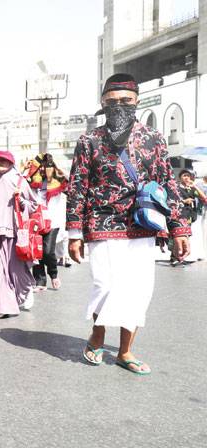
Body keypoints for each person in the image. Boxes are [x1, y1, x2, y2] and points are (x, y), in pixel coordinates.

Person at [67, 73, 191, 375]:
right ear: (102, 104)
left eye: (125, 101)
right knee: (105, 284)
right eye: (111, 102)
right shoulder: (89, 141)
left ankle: (125, 351)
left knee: (137, 290)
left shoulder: (154, 139)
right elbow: (77, 186)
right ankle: (97, 334)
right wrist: (74, 233)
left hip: (142, 222)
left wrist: (179, 227)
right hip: (101, 222)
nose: (119, 107)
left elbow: (166, 183)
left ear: (136, 101)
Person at [0, 150, 38, 319]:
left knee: (16, 270)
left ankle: (24, 292)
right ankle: (1, 306)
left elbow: (33, 205)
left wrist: (22, 202)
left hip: (15, 232)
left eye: (3, 160)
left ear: (11, 162)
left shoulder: (19, 180)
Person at [26, 153, 68, 290]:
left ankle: (54, 274)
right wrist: (25, 170)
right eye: (41, 167)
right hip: (36, 222)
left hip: (53, 222)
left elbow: (73, 186)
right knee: (36, 251)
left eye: (47, 167)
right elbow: (18, 184)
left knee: (48, 251)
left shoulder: (59, 182)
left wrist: (60, 169)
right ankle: (40, 281)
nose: (43, 170)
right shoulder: (32, 183)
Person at [178, 169, 207, 262]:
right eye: (184, 176)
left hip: (190, 215)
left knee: (187, 235)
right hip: (180, 215)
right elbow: (172, 199)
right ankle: (176, 256)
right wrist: (184, 201)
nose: (187, 178)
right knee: (180, 235)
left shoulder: (192, 188)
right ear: (180, 178)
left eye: (188, 176)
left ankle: (182, 257)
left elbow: (203, 197)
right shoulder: (176, 188)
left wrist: (194, 186)